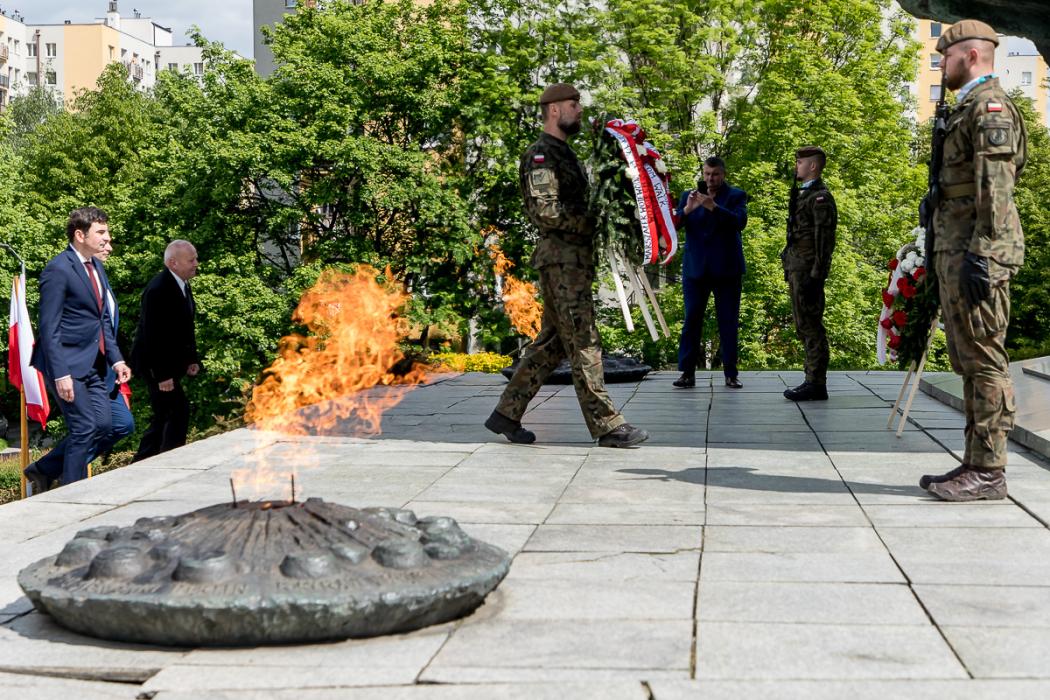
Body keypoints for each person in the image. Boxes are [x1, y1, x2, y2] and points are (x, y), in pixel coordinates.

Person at [484, 82, 648, 448]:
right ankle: (607, 425)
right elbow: (545, 211)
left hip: (574, 261)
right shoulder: (541, 155)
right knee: (584, 341)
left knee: (552, 345)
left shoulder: (565, 153)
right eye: (574, 104)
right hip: (561, 261)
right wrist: (592, 222)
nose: (580, 110)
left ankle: (506, 413)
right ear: (554, 110)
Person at [919, 20, 1027, 502]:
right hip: (957, 246)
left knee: (985, 358)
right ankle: (975, 460)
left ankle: (989, 471)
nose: (942, 64)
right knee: (968, 359)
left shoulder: (989, 108)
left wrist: (983, 254)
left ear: (972, 55)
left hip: (977, 252)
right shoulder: (966, 107)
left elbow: (996, 190)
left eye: (947, 56)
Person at [24, 207, 131, 494]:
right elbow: (49, 328)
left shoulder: (96, 267)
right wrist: (61, 375)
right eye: (101, 232)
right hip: (65, 364)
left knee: (105, 426)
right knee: (84, 427)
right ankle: (71, 495)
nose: (107, 238)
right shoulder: (58, 269)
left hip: (93, 363)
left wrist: (116, 359)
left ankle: (45, 470)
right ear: (80, 235)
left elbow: (102, 320)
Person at [672, 156, 748, 389]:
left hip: (727, 269)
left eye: (715, 174)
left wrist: (713, 207)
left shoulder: (736, 196)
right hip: (695, 270)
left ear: (723, 174)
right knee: (691, 320)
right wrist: (687, 209)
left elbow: (740, 222)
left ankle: (731, 373)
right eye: (706, 174)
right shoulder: (689, 196)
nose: (710, 179)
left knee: (728, 322)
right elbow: (673, 225)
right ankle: (687, 373)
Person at [130, 240, 201, 462]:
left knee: (166, 414)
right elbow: (154, 335)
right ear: (173, 263)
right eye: (191, 260)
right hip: (156, 366)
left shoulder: (181, 284)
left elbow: (185, 327)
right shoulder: (159, 289)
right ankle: (167, 460)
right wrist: (162, 375)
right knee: (177, 411)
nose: (196, 264)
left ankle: (146, 462)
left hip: (170, 364)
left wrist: (191, 359)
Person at [782, 145, 837, 402]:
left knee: (811, 326)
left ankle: (816, 382)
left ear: (813, 166)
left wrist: (818, 274)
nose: (797, 166)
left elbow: (824, 240)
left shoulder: (820, 198)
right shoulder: (804, 194)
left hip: (808, 270)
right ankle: (811, 379)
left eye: (800, 162)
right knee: (803, 325)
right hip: (797, 267)